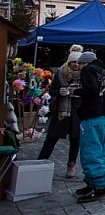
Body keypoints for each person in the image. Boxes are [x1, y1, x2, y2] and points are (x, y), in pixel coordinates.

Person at [73, 51, 105, 203]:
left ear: (85, 63)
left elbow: (90, 90)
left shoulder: (88, 70)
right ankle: (92, 182)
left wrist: (75, 91)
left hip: (93, 115)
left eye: (80, 64)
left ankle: (99, 186)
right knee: (100, 150)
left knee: (90, 150)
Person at [37, 45, 83, 178]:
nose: (75, 64)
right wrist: (60, 92)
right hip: (61, 111)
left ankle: (71, 166)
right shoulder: (61, 73)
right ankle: (40, 163)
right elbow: (52, 91)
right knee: (51, 138)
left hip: (76, 110)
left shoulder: (84, 74)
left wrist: (79, 93)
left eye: (78, 62)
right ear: (69, 62)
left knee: (75, 140)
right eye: (73, 62)